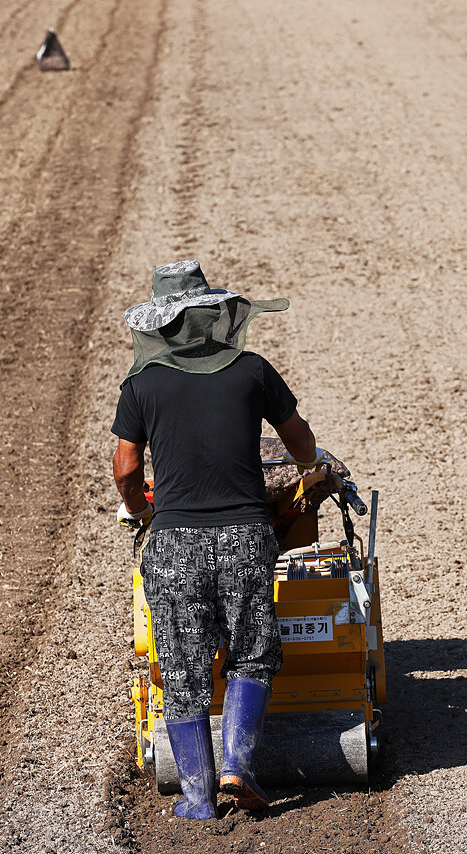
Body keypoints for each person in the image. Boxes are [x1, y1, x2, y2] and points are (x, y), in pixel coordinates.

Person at [111, 260, 323, 820]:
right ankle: (239, 766)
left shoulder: (142, 383)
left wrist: (140, 510)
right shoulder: (253, 370)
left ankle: (199, 798)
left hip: (175, 543)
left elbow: (126, 468)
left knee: (181, 669)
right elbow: (300, 442)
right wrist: (309, 462)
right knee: (252, 654)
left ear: (159, 325)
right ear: (215, 315)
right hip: (247, 539)